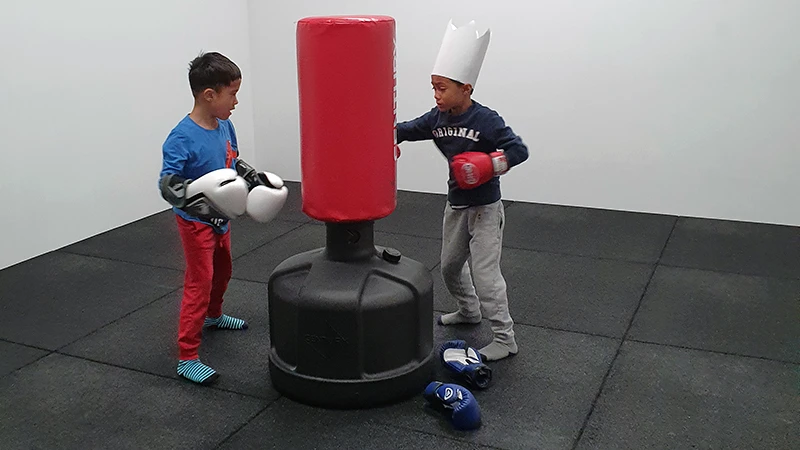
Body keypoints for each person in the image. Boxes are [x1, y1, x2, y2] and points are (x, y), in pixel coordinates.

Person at [396, 20, 528, 361]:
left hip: (485, 208)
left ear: (465, 88)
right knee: (450, 267)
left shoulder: (486, 120)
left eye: (442, 89)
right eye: (433, 88)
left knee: (485, 275)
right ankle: (469, 311)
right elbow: (406, 130)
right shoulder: (437, 118)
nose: (437, 95)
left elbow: (518, 150)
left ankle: (505, 338)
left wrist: (488, 166)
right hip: (456, 206)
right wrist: (380, 135)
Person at [158, 51, 258, 385]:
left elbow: (234, 161)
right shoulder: (181, 138)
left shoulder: (225, 125)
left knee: (224, 269)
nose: (237, 101)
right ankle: (187, 357)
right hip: (196, 223)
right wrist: (201, 205)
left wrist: (252, 178)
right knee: (199, 282)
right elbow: (169, 185)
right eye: (233, 94)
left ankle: (214, 316)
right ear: (209, 95)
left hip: (222, 219)